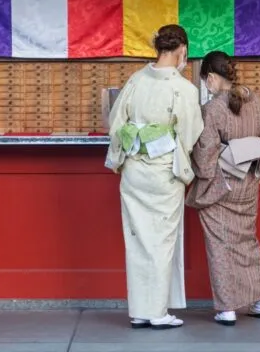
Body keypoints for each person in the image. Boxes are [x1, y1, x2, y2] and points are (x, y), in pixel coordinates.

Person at [105, 24, 203, 330]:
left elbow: (116, 123)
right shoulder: (183, 88)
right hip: (162, 172)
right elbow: (189, 134)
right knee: (161, 241)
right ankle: (157, 312)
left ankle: (139, 310)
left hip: (134, 169)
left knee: (137, 240)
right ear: (182, 50)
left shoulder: (136, 80)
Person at [187, 51, 260, 327]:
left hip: (221, 185)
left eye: (206, 81)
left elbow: (204, 159)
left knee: (221, 246)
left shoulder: (212, 109)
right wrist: (250, 154)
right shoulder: (255, 101)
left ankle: (227, 309)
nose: (207, 87)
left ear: (212, 78)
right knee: (247, 241)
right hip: (248, 182)